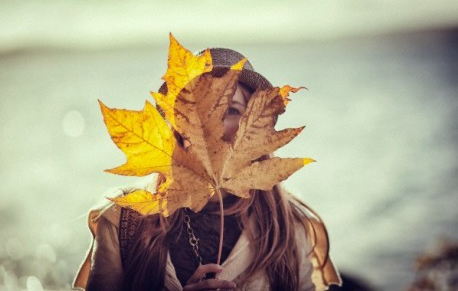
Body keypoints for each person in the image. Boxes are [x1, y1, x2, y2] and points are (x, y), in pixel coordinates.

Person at [73, 48, 341, 291]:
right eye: (199, 114)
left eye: (232, 111)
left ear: (257, 125)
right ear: (180, 126)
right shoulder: (124, 218)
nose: (214, 127)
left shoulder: (290, 228)